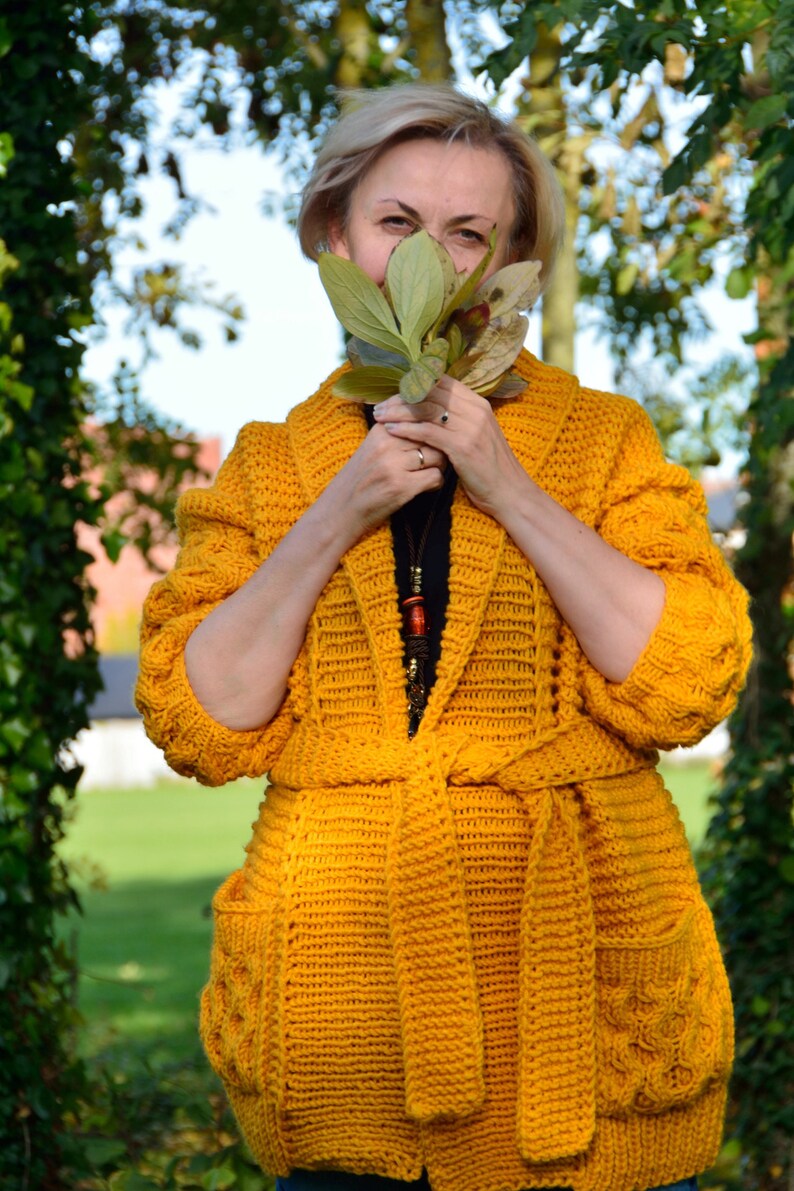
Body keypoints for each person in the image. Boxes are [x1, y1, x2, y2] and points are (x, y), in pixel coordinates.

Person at [135, 83, 752, 1191]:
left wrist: (507, 485)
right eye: (397, 222)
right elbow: (200, 718)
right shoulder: (270, 464)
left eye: (468, 232)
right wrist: (337, 510)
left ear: (512, 259)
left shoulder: (606, 439)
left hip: (577, 999)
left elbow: (687, 682)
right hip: (341, 1009)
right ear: (334, 236)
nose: (431, 258)